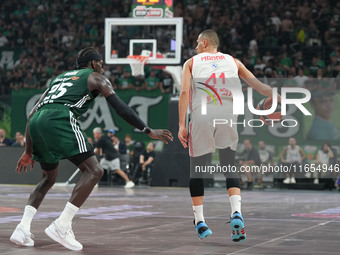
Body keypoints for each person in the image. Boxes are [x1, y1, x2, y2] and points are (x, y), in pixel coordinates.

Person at [10, 47, 173, 251]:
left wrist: (27, 150)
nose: (103, 67)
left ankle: (22, 228)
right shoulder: (96, 77)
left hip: (37, 121)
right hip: (60, 118)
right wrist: (147, 129)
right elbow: (121, 107)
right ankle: (62, 225)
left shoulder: (59, 78)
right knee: (95, 171)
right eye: (102, 63)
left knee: (48, 178)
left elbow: (33, 113)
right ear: (95, 63)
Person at [178, 30, 279, 242]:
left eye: (197, 43)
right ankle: (236, 212)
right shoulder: (234, 61)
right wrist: (275, 95)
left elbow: (185, 93)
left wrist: (181, 125)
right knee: (228, 163)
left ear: (205, 43)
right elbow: (258, 85)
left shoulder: (191, 62)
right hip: (227, 114)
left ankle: (200, 220)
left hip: (203, 114)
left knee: (197, 168)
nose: (195, 47)